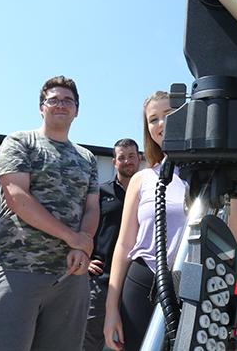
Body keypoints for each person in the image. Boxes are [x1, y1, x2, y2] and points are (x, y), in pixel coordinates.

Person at [103, 91, 237, 350]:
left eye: (169, 115)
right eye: (153, 119)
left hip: (198, 286)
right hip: (143, 282)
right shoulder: (142, 179)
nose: (161, 124)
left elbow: (236, 235)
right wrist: (110, 309)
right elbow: (124, 244)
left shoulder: (218, 178)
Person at [0, 76, 99, 351]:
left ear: (77, 110)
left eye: (68, 101)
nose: (60, 105)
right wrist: (71, 237)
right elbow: (18, 197)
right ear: (42, 107)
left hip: (70, 278)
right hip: (17, 269)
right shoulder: (20, 141)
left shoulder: (87, 158)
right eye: (53, 100)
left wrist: (83, 244)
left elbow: (91, 207)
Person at [83, 138, 141, 351]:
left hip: (137, 280)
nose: (127, 161)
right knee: (88, 341)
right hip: (101, 280)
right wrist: (85, 258)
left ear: (139, 159)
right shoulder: (99, 194)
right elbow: (82, 227)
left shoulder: (150, 194)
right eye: (122, 157)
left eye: (131, 156)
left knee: (133, 340)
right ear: (114, 162)